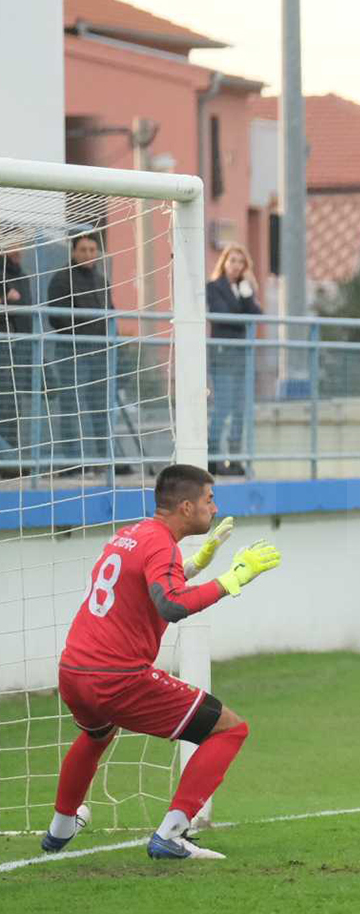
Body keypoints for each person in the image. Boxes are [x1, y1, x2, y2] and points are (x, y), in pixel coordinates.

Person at [39, 464, 280, 860]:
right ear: (186, 507)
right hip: (117, 677)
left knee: (98, 734)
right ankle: (171, 834)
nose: (214, 508)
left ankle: (61, 828)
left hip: (74, 671)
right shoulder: (159, 544)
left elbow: (143, 587)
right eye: (209, 500)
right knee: (229, 730)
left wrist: (197, 565)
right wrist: (232, 580)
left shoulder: (130, 535)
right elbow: (170, 604)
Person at [45, 233, 112, 471]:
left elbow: (109, 315)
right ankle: (72, 463)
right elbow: (57, 318)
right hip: (71, 353)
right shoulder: (61, 279)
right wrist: (86, 327)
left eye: (92, 250)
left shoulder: (101, 280)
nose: (88, 255)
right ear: (74, 252)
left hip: (100, 355)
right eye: (83, 250)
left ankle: (104, 462)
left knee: (100, 407)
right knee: (71, 407)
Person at [205, 244, 263, 476]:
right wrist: (243, 315)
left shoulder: (244, 289)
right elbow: (225, 316)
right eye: (232, 260)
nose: (236, 265)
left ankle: (235, 458)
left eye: (241, 262)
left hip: (242, 356)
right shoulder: (214, 287)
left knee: (240, 408)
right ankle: (212, 457)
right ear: (224, 262)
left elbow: (256, 317)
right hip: (223, 353)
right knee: (224, 406)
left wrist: (247, 293)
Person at [0, 250, 33, 466]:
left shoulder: (22, 275)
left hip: (19, 348)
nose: (18, 250)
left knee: (13, 405)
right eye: (13, 243)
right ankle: (8, 457)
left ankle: (11, 460)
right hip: (4, 346)